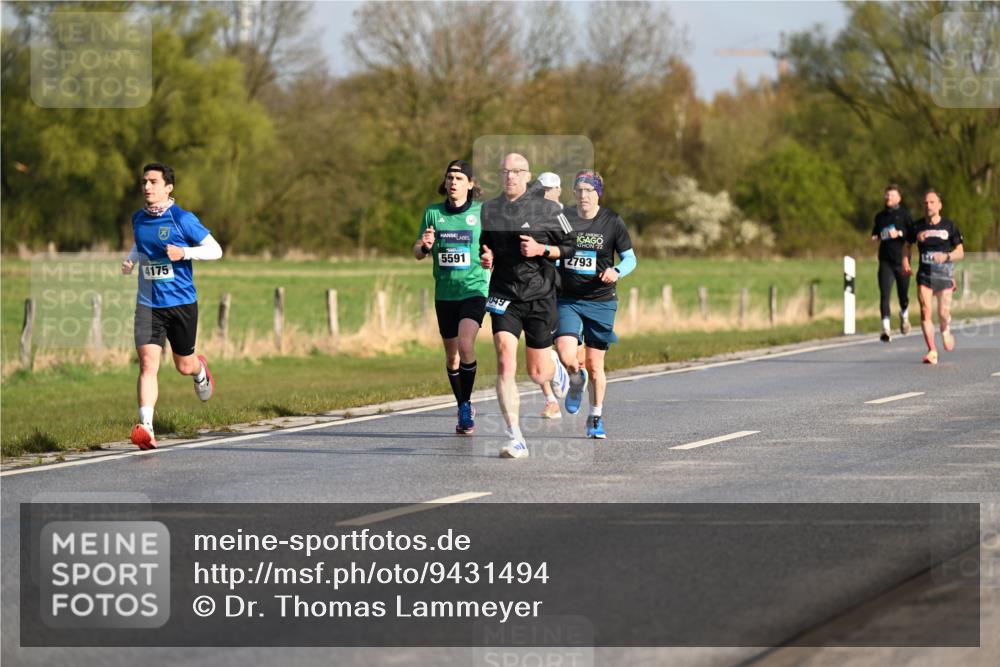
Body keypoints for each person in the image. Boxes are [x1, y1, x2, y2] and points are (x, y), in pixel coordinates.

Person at [121, 163, 223, 449]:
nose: (147, 187)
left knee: (183, 365)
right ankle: (146, 427)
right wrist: (132, 260)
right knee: (147, 364)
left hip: (181, 303)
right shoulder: (138, 219)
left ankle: (200, 370)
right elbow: (142, 246)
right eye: (144, 182)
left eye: (153, 181)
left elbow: (216, 250)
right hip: (148, 304)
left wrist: (184, 252)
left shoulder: (182, 219)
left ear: (168, 187)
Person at [479, 153, 573, 459]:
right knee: (505, 361)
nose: (510, 177)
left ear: (527, 175)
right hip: (504, 294)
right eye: (505, 172)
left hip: (540, 295)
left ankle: (555, 367)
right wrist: (487, 256)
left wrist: (542, 249)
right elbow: (487, 243)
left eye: (516, 172)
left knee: (537, 373)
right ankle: (514, 437)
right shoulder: (490, 210)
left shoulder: (549, 208)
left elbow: (571, 246)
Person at [554, 171, 636, 439]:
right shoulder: (564, 218)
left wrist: (617, 271)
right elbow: (552, 251)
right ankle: (576, 381)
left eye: (589, 190)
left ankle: (596, 417)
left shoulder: (611, 221)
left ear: (598, 193)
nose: (583, 195)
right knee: (566, 354)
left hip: (601, 300)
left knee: (595, 363)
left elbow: (630, 258)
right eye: (578, 189)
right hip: (568, 298)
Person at [414, 160, 488, 434]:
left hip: (474, 289)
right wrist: (425, 246)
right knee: (452, 357)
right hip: (445, 292)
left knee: (466, 344)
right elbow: (417, 251)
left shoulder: (482, 213)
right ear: (444, 184)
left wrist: (491, 257)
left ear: (470, 184)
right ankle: (462, 404)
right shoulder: (433, 213)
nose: (453, 182)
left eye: (459, 177)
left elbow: (494, 248)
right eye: (449, 177)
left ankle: (466, 406)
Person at [902, 189, 965, 365]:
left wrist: (946, 256)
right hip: (925, 275)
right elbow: (907, 245)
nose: (928, 205)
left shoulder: (949, 226)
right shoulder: (917, 226)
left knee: (943, 313)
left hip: (944, 275)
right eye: (925, 203)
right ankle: (932, 350)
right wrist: (905, 261)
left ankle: (945, 329)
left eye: (931, 202)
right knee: (925, 312)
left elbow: (960, 252)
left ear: (939, 205)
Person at [537, 171, 564, 420]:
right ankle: (550, 400)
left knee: (565, 348)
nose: (544, 194)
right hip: (538, 287)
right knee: (538, 345)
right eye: (540, 189)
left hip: (565, 288)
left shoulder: (565, 216)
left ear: (558, 190)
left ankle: (565, 373)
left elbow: (572, 248)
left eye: (548, 190)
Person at [870, 184, 914, 341]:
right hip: (885, 261)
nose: (889, 198)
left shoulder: (905, 215)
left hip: (902, 261)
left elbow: (912, 236)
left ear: (899, 198)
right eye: (887, 195)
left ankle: (904, 314)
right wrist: (875, 237)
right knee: (884, 294)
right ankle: (886, 329)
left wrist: (900, 233)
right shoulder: (880, 216)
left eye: (892, 195)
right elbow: (875, 233)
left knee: (903, 296)